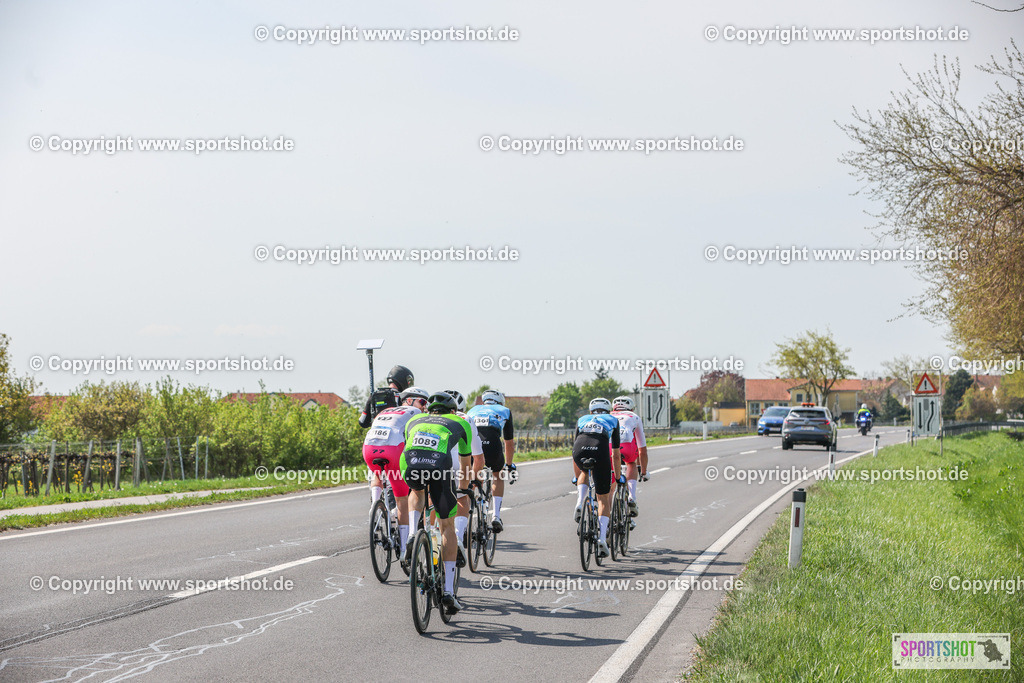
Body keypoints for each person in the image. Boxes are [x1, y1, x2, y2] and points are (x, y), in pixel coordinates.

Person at [401, 392, 474, 613]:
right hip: (440, 466)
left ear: (428, 411)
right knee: (447, 525)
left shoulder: (414, 419)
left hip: (409, 461)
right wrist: (463, 490)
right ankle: (449, 592)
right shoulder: (461, 422)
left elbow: (411, 445)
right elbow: (464, 462)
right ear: (453, 411)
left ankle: (413, 533)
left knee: (417, 490)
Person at [362, 386, 429, 563]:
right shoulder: (415, 412)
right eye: (422, 401)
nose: (425, 406)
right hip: (392, 450)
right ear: (409, 401)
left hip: (368, 448)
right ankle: (404, 550)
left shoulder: (386, 410)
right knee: (402, 501)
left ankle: (374, 506)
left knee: (378, 473)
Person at [572, 397, 621, 558]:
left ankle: (580, 501)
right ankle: (601, 539)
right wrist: (618, 476)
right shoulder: (613, 420)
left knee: (584, 472)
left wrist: (576, 476)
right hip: (599, 449)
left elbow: (574, 453)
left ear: (591, 410)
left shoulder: (582, 419)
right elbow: (615, 454)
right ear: (608, 410)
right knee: (603, 498)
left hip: (580, 448)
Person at [442, 388, 484, 568]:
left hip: (432, 463)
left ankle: (435, 543)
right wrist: (472, 481)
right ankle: (458, 538)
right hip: (458, 463)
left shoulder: (428, 417)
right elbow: (479, 458)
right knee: (462, 498)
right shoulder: (466, 419)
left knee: (435, 502)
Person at [466, 389, 516, 533]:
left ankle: (464, 517)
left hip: (473, 446)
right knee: (498, 475)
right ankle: (496, 516)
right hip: (493, 444)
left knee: (470, 480)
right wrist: (509, 465)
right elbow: (509, 442)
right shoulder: (505, 410)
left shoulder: (472, 410)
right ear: (500, 401)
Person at [611, 396, 648, 520]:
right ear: (631, 408)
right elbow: (642, 448)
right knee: (631, 463)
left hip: (609, 447)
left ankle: (608, 509)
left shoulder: (608, 416)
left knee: (609, 467)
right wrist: (643, 471)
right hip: (626, 446)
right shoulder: (634, 417)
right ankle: (631, 496)